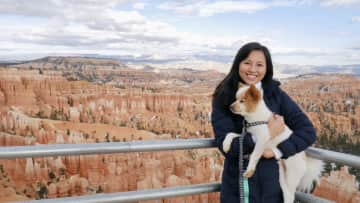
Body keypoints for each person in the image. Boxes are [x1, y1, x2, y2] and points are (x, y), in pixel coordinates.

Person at [211, 42, 316, 203]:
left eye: (259, 65)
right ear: (238, 64)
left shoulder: (276, 95)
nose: (253, 70)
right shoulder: (224, 96)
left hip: (272, 192)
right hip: (237, 191)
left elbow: (307, 132)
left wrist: (277, 152)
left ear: (267, 68)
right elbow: (227, 146)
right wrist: (264, 135)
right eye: (247, 63)